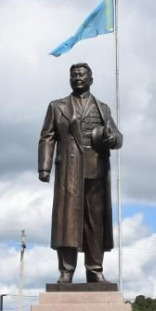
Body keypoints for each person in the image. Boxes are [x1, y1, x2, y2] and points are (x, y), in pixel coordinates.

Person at [38, 62, 123, 284]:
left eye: (82, 75)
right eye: (73, 75)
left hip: (96, 169)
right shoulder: (57, 106)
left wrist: (112, 138)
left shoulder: (103, 108)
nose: (77, 78)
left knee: (95, 222)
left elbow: (117, 136)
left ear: (90, 79)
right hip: (69, 169)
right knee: (67, 221)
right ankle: (66, 271)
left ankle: (94, 269)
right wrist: (44, 167)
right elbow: (47, 136)